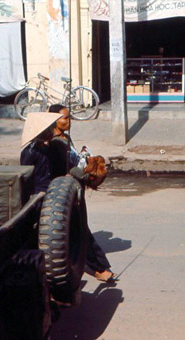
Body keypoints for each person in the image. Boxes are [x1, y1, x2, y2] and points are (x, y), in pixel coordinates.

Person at [20, 106, 116, 282]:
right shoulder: (32, 152)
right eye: (64, 118)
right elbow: (26, 179)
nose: (68, 121)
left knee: (75, 231)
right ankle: (98, 268)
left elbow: (69, 164)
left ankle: (98, 267)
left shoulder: (55, 145)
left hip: (61, 194)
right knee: (76, 232)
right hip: (45, 198)